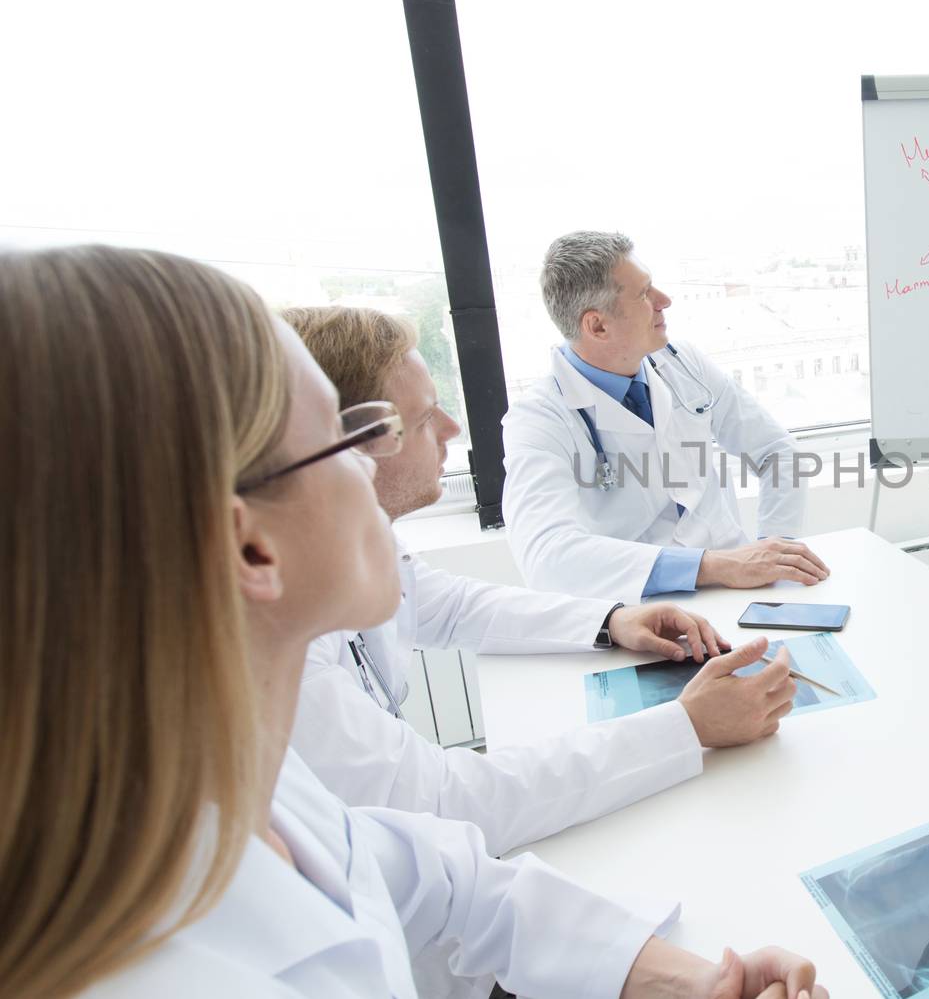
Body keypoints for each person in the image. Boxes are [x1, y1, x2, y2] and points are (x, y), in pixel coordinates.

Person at [0, 245, 826, 999]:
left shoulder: (246, 783)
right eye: (351, 433)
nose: (396, 456)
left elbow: (443, 879)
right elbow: (440, 805)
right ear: (248, 546)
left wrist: (687, 983)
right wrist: (683, 727)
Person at [283, 306, 796, 860]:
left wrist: (609, 620)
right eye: (427, 416)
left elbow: (448, 605)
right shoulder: (282, 647)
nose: (454, 429)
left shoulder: (354, 535)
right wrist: (686, 726)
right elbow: (442, 803)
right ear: (352, 442)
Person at [502, 231, 831, 601]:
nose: (664, 300)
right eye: (644, 293)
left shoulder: (681, 363)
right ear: (597, 326)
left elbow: (776, 451)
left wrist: (777, 552)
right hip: (640, 609)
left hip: (737, 593)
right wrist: (715, 566)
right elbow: (547, 558)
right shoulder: (538, 420)